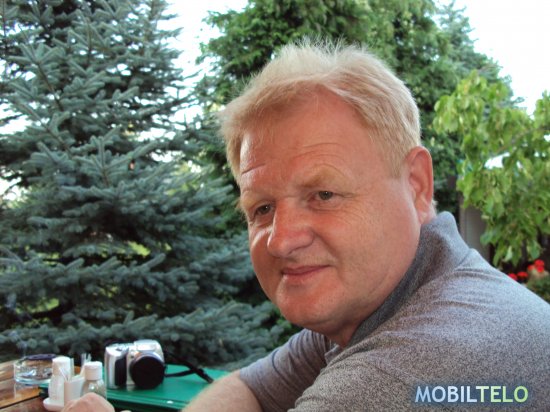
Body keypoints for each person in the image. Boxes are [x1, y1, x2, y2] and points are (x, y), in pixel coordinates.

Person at [66, 41, 550, 411]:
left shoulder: (402, 372)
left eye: (323, 195)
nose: (281, 240)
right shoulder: (391, 295)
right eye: (262, 208)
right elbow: (252, 389)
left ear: (417, 186)